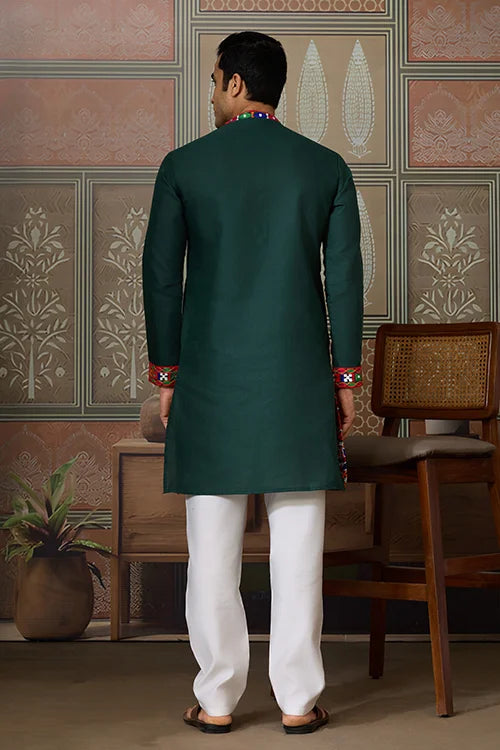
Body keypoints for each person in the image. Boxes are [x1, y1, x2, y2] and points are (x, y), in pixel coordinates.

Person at [142, 31, 363, 735]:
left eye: (214, 81)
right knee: (299, 549)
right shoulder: (325, 167)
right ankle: (297, 702)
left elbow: (160, 280)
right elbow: (345, 281)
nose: (212, 93)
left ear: (235, 84)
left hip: (210, 381)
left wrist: (168, 376)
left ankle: (217, 701)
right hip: (297, 381)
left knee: (212, 550)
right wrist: (345, 378)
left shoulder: (184, 166)